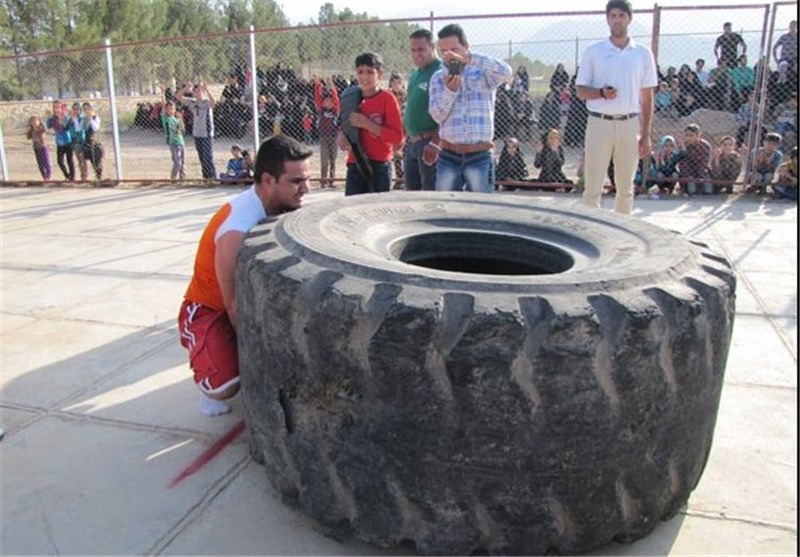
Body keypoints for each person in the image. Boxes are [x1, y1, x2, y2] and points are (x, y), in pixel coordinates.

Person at [178, 135, 313, 416]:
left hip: (253, 299)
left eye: (307, 179)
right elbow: (233, 305)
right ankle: (207, 379)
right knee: (226, 385)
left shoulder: (283, 205)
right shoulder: (237, 229)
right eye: (296, 181)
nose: (306, 189)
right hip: (210, 308)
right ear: (267, 181)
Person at [575, 0, 658, 214]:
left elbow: (647, 98)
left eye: (621, 15)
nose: (617, 20)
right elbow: (580, 90)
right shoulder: (594, 51)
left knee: (625, 188)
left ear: (629, 19)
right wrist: (601, 93)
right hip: (599, 122)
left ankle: (622, 236)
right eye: (613, 15)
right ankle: (589, 232)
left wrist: (646, 135)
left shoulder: (642, 53)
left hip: (629, 124)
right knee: (592, 188)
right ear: (607, 19)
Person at [428, 23, 513, 192]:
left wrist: (471, 58)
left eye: (454, 49)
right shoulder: (438, 78)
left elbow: (507, 73)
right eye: (444, 51)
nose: (449, 55)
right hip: (448, 155)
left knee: (480, 210)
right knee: (446, 209)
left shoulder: (483, 73)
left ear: (466, 47)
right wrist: (449, 92)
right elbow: (436, 116)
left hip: (480, 156)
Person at [337, 52, 404, 196]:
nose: (364, 76)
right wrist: (342, 134)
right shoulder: (351, 96)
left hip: (379, 166)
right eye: (360, 72)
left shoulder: (387, 99)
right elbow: (345, 122)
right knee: (352, 210)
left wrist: (368, 125)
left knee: (378, 210)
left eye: (369, 72)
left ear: (380, 73)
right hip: (356, 163)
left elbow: (397, 137)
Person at [403, 29, 444, 191]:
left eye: (421, 49)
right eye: (413, 50)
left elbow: (449, 112)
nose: (416, 54)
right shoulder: (414, 74)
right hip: (412, 143)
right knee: (412, 195)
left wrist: (436, 142)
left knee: (430, 196)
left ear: (432, 47)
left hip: (429, 142)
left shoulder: (441, 72)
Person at [177, 82, 217, 179]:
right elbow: (178, 96)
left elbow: (214, 102)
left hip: (206, 133)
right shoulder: (192, 102)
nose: (198, 93)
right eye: (196, 91)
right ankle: (206, 177)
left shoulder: (206, 102)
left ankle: (212, 177)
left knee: (208, 157)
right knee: (202, 157)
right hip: (197, 133)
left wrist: (207, 89)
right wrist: (186, 88)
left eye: (200, 91)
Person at [313, 76, 340, 188]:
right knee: (324, 160)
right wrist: (318, 85)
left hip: (334, 137)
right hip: (324, 137)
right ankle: (323, 180)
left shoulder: (335, 110)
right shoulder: (321, 110)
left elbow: (336, 98)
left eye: (330, 101)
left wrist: (331, 85)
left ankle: (331, 180)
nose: (328, 103)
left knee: (333, 159)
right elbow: (318, 98)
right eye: (326, 101)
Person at [678, 123, 713, 195]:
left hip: (702, 171)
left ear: (698, 135)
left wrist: (700, 176)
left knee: (708, 191)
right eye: (687, 135)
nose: (688, 138)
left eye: (691, 135)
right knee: (692, 190)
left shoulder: (705, 146)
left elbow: (704, 163)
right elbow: (682, 164)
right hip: (689, 173)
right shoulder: (684, 146)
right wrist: (684, 150)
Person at [46, 101, 74, 181]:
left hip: (68, 141)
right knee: (60, 161)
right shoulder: (52, 118)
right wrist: (50, 117)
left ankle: (72, 177)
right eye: (54, 107)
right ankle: (67, 175)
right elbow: (48, 126)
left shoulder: (65, 117)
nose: (56, 109)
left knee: (70, 160)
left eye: (58, 107)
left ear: (61, 108)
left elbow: (67, 127)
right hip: (59, 142)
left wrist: (63, 118)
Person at [161, 100, 186, 180]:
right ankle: (173, 178)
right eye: (169, 109)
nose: (171, 111)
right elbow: (163, 109)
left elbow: (182, 129)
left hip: (181, 142)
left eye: (172, 109)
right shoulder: (166, 118)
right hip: (173, 143)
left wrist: (181, 118)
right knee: (177, 163)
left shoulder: (177, 119)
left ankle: (182, 177)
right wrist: (163, 94)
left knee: (182, 163)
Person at [80, 102, 104, 180]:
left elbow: (95, 128)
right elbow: (79, 128)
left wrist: (90, 118)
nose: (86, 111)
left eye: (88, 109)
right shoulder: (84, 119)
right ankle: (89, 176)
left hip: (95, 142)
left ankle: (99, 177)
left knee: (97, 162)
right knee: (90, 160)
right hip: (87, 142)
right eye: (85, 109)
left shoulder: (95, 118)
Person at [26, 115, 51, 180]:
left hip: (43, 147)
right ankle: (44, 176)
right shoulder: (31, 130)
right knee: (40, 163)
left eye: (35, 120)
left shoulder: (41, 128)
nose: (34, 122)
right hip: (36, 148)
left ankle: (48, 176)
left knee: (46, 162)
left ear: (39, 121)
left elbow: (44, 132)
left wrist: (37, 137)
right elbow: (28, 137)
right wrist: (29, 129)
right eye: (32, 121)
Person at [69, 102, 88, 181]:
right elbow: (70, 130)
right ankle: (83, 176)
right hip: (75, 141)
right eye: (74, 109)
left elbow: (81, 129)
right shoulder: (71, 120)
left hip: (82, 140)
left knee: (83, 159)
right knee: (80, 160)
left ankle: (85, 175)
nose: (76, 111)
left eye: (77, 109)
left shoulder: (82, 119)